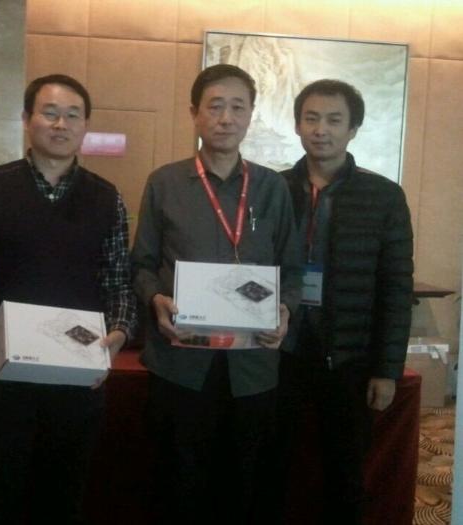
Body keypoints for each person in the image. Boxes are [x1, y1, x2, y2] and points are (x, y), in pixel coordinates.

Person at [0, 73, 137, 525]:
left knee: (62, 497)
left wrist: (118, 334)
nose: (61, 124)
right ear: (27, 119)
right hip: (4, 379)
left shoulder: (107, 198)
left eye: (73, 115)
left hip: (77, 378)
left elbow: (119, 282)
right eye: (50, 113)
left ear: (85, 125)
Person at [130, 64, 303, 524]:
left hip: (252, 366)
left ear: (250, 115)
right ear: (195, 113)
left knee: (243, 485)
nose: (226, 118)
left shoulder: (272, 188)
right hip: (181, 363)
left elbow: (292, 269)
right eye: (215, 106)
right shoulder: (164, 182)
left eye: (237, 107)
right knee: (178, 483)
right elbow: (141, 264)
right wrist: (155, 300)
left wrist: (286, 310)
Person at [274, 79, 414, 524]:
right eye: (311, 118)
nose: (321, 130)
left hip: (349, 358)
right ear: (297, 125)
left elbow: (396, 286)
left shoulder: (384, 196)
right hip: (280, 351)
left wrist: (387, 370)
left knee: (345, 473)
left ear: (353, 128)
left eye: (334, 120)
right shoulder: (273, 188)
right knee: (272, 468)